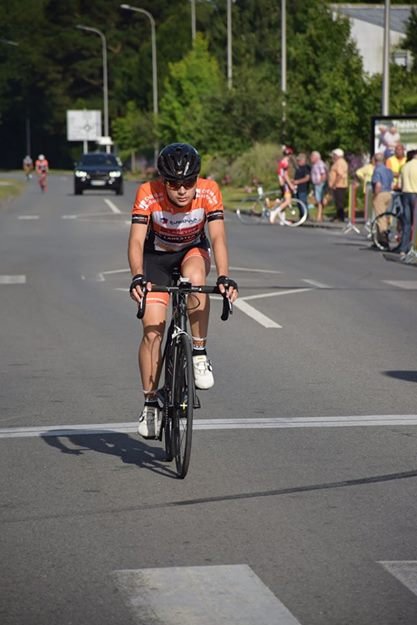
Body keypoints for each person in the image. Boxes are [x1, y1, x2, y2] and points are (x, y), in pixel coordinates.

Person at [128, 143, 239, 439]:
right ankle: (150, 403)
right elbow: (136, 240)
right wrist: (137, 277)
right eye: (174, 184)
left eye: (188, 183)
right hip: (156, 259)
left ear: (196, 180)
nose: (181, 190)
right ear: (163, 181)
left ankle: (199, 353)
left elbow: (218, 236)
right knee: (153, 329)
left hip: (192, 251)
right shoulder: (147, 193)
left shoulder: (209, 191)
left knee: (195, 278)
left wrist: (225, 276)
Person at [371, 153, 394, 248]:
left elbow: (378, 184)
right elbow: (392, 184)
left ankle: (383, 239)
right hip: (389, 193)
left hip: (380, 194)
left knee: (380, 217)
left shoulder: (377, 170)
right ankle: (379, 239)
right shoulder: (389, 170)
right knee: (386, 216)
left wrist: (375, 195)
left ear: (374, 160)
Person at [398, 149, 417, 259]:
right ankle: (414, 247)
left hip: (405, 194)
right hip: (415, 193)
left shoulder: (404, 166)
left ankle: (403, 249)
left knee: (407, 223)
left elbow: (399, 184)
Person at [269, 146, 295, 224]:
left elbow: (281, 174)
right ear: (290, 155)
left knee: (283, 202)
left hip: (281, 183)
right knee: (288, 201)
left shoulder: (282, 162)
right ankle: (274, 212)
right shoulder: (286, 163)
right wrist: (291, 185)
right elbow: (285, 175)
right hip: (284, 184)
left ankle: (282, 220)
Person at [328, 148, 348, 222]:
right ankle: (338, 215)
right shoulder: (338, 162)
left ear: (337, 155)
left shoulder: (340, 162)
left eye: (334, 155)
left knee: (339, 202)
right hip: (338, 185)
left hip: (339, 185)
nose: (333, 157)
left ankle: (341, 217)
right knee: (337, 202)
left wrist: (334, 184)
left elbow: (340, 175)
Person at [310, 151, 328, 222]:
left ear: (316, 157)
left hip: (319, 184)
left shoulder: (320, 164)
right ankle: (320, 215)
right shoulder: (315, 164)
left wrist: (320, 182)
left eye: (312, 156)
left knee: (319, 200)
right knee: (318, 200)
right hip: (316, 184)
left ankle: (319, 216)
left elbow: (323, 174)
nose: (311, 158)